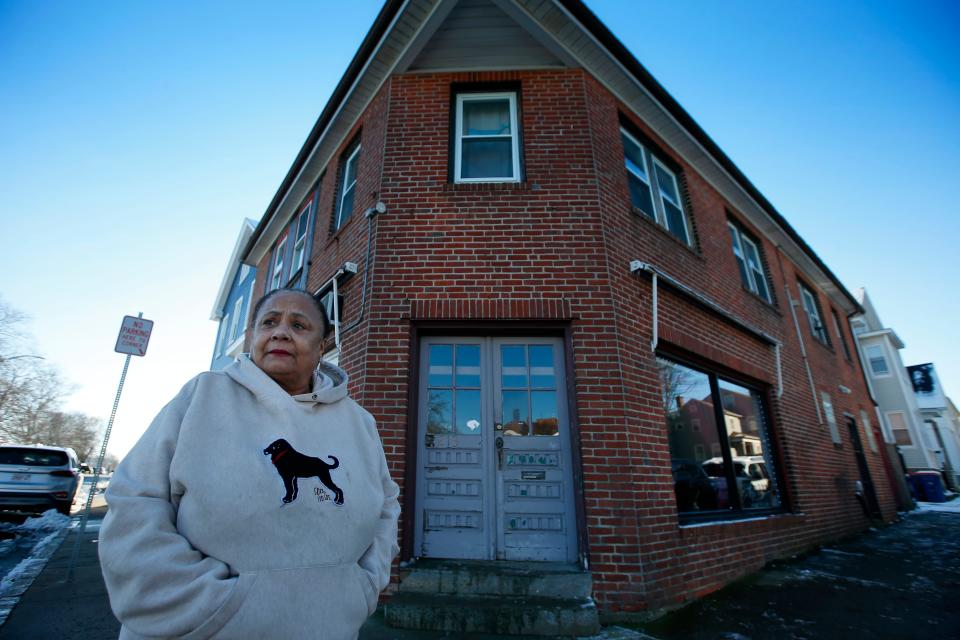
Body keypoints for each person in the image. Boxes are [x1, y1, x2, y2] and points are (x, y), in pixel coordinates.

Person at [99, 288, 400, 640]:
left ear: (322, 347)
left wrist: (363, 586)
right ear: (253, 336)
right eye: (269, 322)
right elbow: (135, 503)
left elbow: (386, 506)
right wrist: (212, 606)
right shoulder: (202, 397)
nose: (280, 332)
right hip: (197, 630)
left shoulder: (359, 422)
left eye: (299, 325)